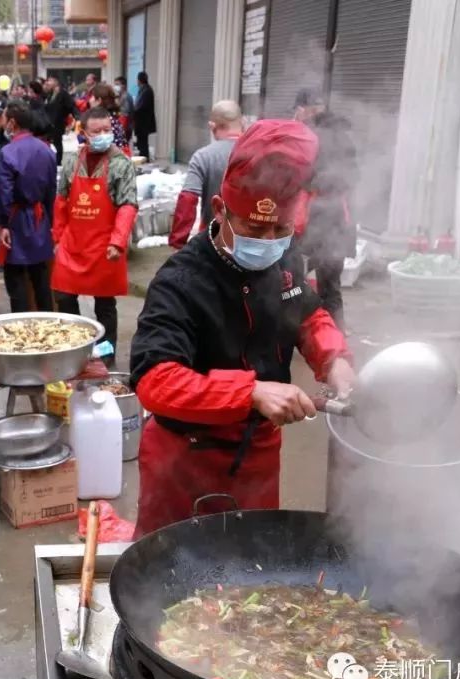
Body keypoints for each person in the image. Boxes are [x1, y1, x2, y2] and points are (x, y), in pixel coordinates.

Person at [128, 119, 355, 537]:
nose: (268, 241)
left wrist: (334, 360)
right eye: (254, 229)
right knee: (167, 569)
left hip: (258, 456)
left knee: (253, 565)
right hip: (186, 459)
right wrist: (249, 392)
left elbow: (308, 316)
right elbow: (155, 380)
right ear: (220, 210)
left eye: (280, 230)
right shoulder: (180, 281)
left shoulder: (282, 260)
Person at [52, 108, 138, 367]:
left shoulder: (121, 163)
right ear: (84, 134)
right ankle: (73, 347)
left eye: (107, 130)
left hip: (104, 246)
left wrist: (118, 241)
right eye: (96, 131)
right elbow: (61, 201)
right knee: (64, 296)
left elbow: (127, 205)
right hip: (72, 243)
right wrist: (57, 238)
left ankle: (106, 354)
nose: (103, 135)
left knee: (105, 303)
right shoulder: (71, 161)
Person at [291, 89, 358, 328]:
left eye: (297, 110)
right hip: (340, 219)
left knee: (290, 281)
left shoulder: (310, 135)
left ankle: (294, 333)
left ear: (305, 109)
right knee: (331, 286)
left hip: (315, 220)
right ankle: (335, 338)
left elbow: (300, 175)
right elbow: (352, 177)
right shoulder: (344, 133)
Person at [0, 100, 56, 313]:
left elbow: (4, 193)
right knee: (41, 278)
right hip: (40, 217)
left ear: (12, 123)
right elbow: (51, 190)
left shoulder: (7, 152)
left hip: (16, 218)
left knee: (16, 279)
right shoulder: (47, 151)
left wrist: (3, 224)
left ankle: (19, 323)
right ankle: (47, 325)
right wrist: (51, 221)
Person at [169, 100, 244, 249]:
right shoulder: (258, 153)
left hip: (214, 239)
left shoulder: (203, 157)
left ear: (212, 126)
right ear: (242, 122)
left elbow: (188, 201)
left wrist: (178, 242)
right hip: (252, 241)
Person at [44, 77, 77, 165]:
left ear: (56, 82)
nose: (47, 83)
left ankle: (58, 162)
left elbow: (71, 106)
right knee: (51, 143)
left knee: (57, 143)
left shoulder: (63, 94)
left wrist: (73, 118)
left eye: (49, 81)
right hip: (50, 124)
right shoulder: (50, 95)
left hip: (58, 123)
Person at [86, 83, 128, 150]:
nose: (90, 100)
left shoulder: (106, 121)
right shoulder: (111, 119)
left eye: (92, 96)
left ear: (99, 100)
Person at [133, 71, 157, 160]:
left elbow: (140, 106)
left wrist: (133, 110)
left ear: (139, 80)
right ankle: (143, 158)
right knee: (141, 143)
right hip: (141, 123)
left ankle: (144, 159)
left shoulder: (146, 90)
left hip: (143, 123)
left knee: (143, 143)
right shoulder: (144, 89)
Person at [114, 76, 134, 143]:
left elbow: (125, 114)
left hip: (125, 127)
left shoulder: (126, 97)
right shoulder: (121, 96)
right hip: (123, 126)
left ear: (123, 85)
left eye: (117, 84)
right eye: (115, 84)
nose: (115, 87)